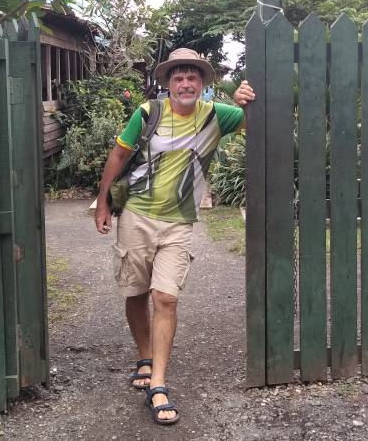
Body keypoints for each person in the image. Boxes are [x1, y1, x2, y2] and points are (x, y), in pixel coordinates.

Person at [94, 48, 255, 425]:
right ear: (168, 83)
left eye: (193, 77)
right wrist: (102, 202)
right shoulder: (148, 113)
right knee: (135, 293)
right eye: (178, 77)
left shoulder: (217, 115)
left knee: (165, 297)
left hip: (179, 222)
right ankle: (145, 357)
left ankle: (159, 384)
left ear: (202, 83)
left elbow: (253, 121)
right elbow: (118, 155)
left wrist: (246, 99)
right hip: (136, 215)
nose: (185, 83)